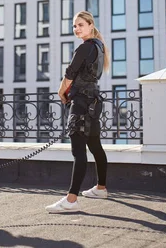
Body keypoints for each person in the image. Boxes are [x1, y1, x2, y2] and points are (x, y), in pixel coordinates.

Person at [46, 11, 110, 213]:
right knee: (95, 146)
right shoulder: (99, 47)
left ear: (91, 25)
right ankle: (101, 188)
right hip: (93, 102)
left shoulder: (85, 48)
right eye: (74, 26)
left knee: (78, 152)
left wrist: (61, 91)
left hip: (81, 103)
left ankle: (71, 200)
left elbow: (70, 74)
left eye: (81, 25)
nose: (77, 29)